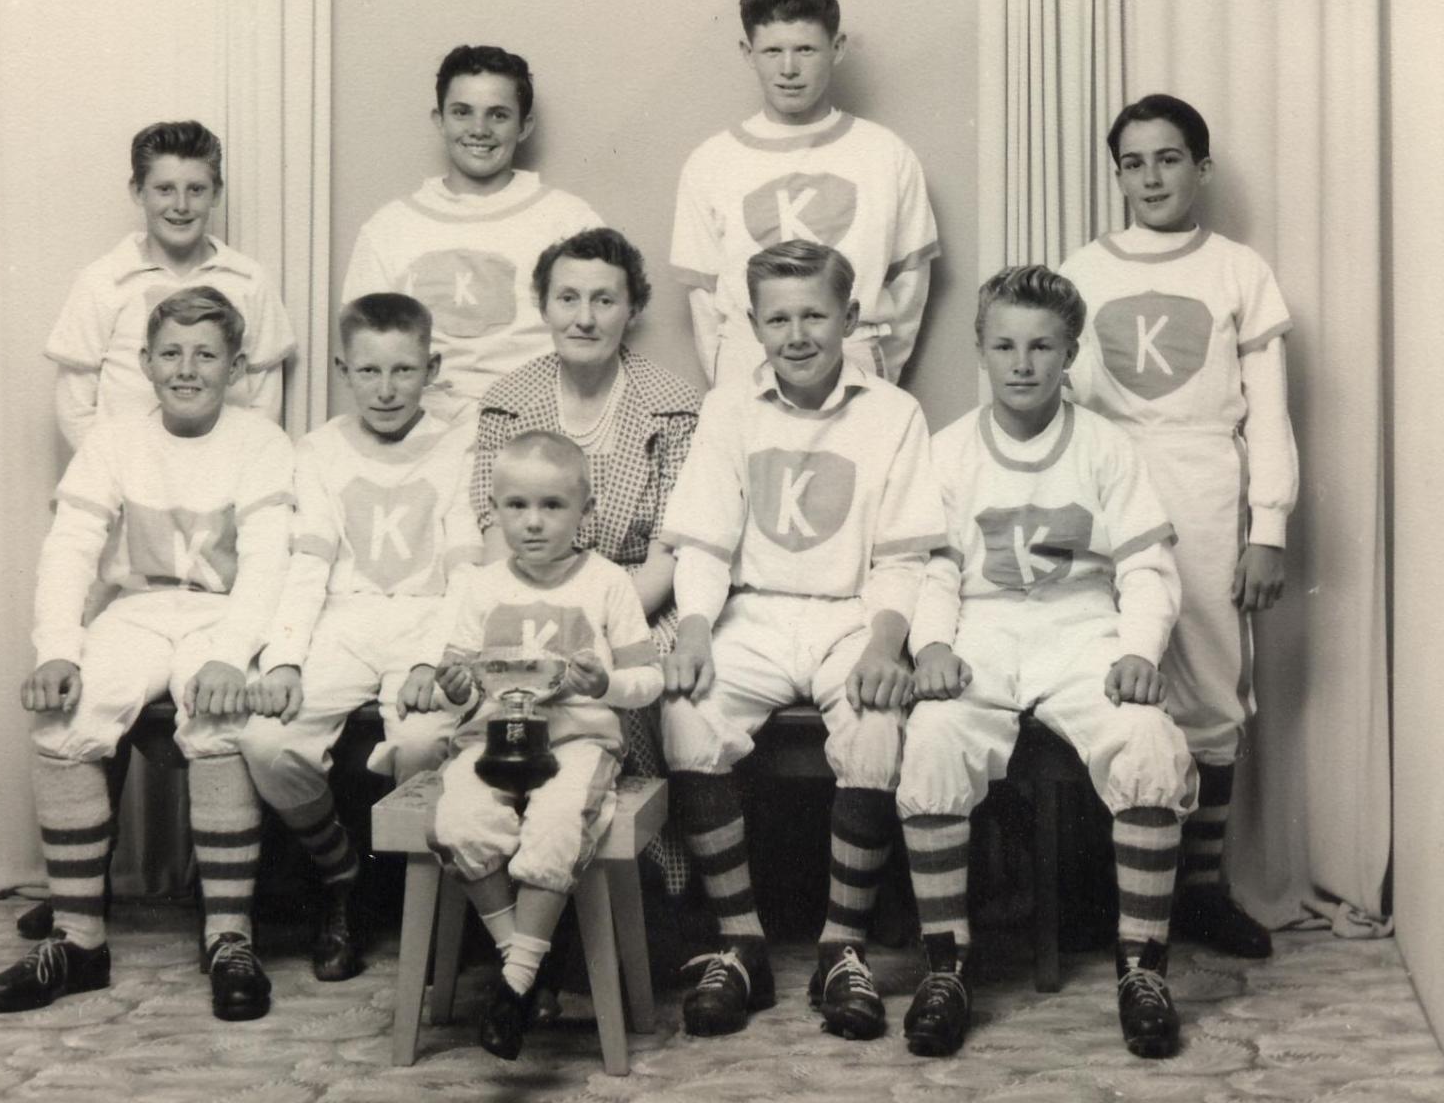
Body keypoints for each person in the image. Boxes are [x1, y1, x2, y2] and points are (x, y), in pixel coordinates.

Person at [897, 265, 1197, 1060]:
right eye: (1005, 345)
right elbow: (932, 567)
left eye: (1041, 346)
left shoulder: (1105, 445)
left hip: (1079, 625)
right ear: (981, 350)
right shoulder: (950, 449)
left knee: (1148, 742)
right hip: (984, 625)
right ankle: (946, 964)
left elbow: (1145, 567)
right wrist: (930, 644)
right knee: (930, 737)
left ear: (1070, 354)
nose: (1022, 364)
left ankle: (1142, 967)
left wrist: (1139, 651)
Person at [0, 288, 294, 1022]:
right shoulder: (114, 440)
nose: (188, 369)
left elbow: (270, 564)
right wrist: (58, 649)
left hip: (222, 615)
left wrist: (232, 655)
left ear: (237, 366)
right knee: (65, 721)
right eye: (172, 353)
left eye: (206, 354)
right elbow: (71, 550)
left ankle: (228, 936)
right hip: (139, 611)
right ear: (147, 363)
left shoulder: (260, 443)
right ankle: (80, 940)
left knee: (220, 719)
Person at [660, 239, 945, 1041]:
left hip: (850, 613)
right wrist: (692, 629)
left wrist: (886, 645)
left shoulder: (894, 414)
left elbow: (902, 555)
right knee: (686, 712)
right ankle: (740, 940)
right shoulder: (730, 407)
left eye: (814, 314)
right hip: (751, 611)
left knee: (878, 723)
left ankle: (840, 947)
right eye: (777, 318)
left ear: (850, 316)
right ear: (752, 325)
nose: (796, 334)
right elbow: (708, 541)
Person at [1060, 94, 1299, 959]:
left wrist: (1266, 525)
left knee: (1207, 680)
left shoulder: (1238, 270)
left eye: (1169, 159)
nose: (1151, 177)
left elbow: (1267, 413)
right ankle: (1107, 888)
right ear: (1116, 174)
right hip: (1107, 480)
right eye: (1133, 162)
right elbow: (1060, 394)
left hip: (1202, 483)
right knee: (1106, 673)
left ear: (1200, 168)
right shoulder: (1083, 270)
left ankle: (1200, 890)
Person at [238, 292, 480, 983]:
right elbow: (308, 563)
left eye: (404, 371)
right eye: (369, 371)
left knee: (424, 740)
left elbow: (467, 567)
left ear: (432, 367)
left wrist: (439, 656)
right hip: (342, 618)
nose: (386, 388)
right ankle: (342, 875)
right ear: (344, 368)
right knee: (267, 739)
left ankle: (420, 899)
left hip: (427, 617)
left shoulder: (459, 446)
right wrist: (284, 657)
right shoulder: (318, 451)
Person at [472, 227, 700, 898]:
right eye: (567, 298)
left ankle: (649, 878)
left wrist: (600, 623)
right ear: (542, 306)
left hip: (642, 598)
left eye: (605, 300)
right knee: (507, 689)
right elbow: (495, 538)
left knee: (628, 690)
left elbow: (670, 548)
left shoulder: (672, 401)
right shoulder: (509, 401)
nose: (584, 316)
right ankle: (521, 873)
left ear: (633, 308)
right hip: (526, 595)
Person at [430, 432, 664, 1061]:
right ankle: (522, 975)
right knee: (461, 820)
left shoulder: (607, 582)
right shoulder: (478, 586)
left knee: (558, 823)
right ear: (496, 510)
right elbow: (454, 689)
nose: (533, 523)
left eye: (553, 506)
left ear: (585, 511)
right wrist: (452, 689)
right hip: (490, 743)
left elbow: (649, 681)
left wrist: (606, 682)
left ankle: (511, 982)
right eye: (516, 506)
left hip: (577, 742)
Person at [670, 0, 940, 388]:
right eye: (773, 51)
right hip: (748, 364)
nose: (789, 68)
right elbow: (704, 303)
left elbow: (910, 286)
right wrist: (731, 377)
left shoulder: (885, 154)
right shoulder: (712, 161)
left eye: (806, 50)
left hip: (856, 361)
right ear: (747, 52)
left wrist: (877, 373)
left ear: (837, 48)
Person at [341, 45, 603, 408]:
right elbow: (364, 351)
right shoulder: (389, 228)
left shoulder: (569, 221)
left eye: (498, 115)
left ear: (524, 126)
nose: (479, 130)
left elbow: (598, 334)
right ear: (440, 120)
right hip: (418, 428)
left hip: (536, 426)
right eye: (462, 113)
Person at [46, 120, 296, 449]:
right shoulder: (103, 281)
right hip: (130, 480)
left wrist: (233, 469)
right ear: (138, 192)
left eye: (196, 189)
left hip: (222, 477)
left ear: (216, 193)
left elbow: (264, 400)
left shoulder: (248, 281)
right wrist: (116, 475)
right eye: (164, 189)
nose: (181, 205)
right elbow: (75, 407)